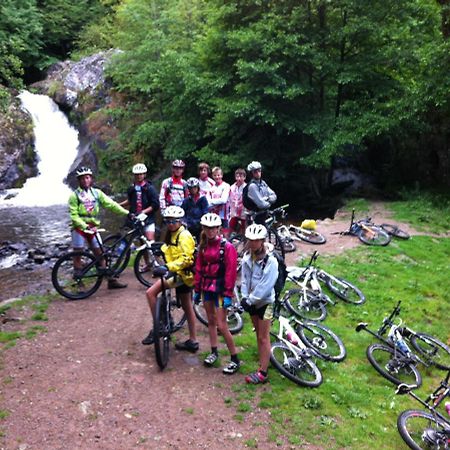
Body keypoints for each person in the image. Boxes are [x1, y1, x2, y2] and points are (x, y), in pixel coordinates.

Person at [142, 206, 198, 353]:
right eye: (168, 221)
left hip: (183, 275)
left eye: (174, 221)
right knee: (186, 305)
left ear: (180, 221)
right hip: (175, 272)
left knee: (151, 293)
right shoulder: (172, 233)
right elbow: (169, 248)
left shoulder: (184, 235)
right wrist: (160, 249)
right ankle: (164, 323)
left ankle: (159, 325)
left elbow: (187, 258)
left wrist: (168, 267)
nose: (171, 224)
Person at [68, 166, 129, 289]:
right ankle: (79, 282)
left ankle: (110, 280)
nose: (85, 180)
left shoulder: (97, 193)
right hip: (79, 228)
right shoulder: (74, 196)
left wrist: (127, 213)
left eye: (87, 177)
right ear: (78, 181)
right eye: (82, 178)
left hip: (93, 227)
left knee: (100, 254)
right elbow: (74, 216)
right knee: (78, 254)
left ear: (91, 179)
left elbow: (111, 204)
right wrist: (84, 226)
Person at [194, 213, 240, 374]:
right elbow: (199, 268)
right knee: (211, 321)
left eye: (213, 228)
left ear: (218, 228)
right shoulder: (203, 246)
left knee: (222, 324)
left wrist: (228, 294)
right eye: (207, 228)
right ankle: (214, 352)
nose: (210, 231)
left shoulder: (227, 247)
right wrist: (196, 289)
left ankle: (234, 358)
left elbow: (231, 272)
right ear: (203, 228)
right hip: (207, 287)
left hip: (220, 289)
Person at [240, 224, 278, 384]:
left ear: (262, 241)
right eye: (250, 240)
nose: (252, 243)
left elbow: (266, 285)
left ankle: (263, 372)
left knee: (263, 337)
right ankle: (264, 359)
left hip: (265, 302)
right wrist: (243, 297)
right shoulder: (247, 257)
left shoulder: (271, 261)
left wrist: (250, 300)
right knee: (258, 334)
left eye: (256, 241)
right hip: (251, 302)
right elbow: (244, 279)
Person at [181, 177, 209, 242]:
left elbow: (205, 212)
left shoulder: (203, 199)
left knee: (202, 242)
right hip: (189, 225)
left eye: (194, 187)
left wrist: (202, 222)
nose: (193, 189)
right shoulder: (186, 200)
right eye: (191, 188)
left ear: (198, 188)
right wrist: (185, 222)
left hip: (200, 225)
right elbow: (182, 212)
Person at [227, 168, 247, 235]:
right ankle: (228, 241)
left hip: (244, 212)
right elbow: (229, 199)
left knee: (244, 229)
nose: (239, 179)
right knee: (230, 228)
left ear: (244, 177)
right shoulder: (232, 187)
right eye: (237, 176)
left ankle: (244, 242)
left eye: (241, 176)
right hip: (234, 212)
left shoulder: (247, 187)